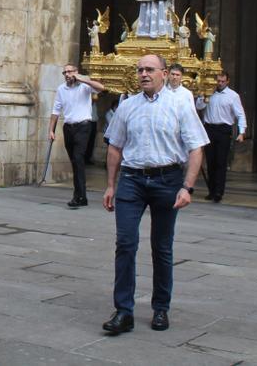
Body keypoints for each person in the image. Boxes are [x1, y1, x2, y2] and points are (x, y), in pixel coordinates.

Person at [101, 54, 207, 335]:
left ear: (164, 73)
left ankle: (161, 307)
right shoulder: (127, 106)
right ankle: (124, 311)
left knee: (162, 246)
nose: (144, 74)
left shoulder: (180, 105)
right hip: (132, 180)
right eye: (140, 70)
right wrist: (111, 185)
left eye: (150, 69)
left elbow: (196, 148)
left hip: (167, 179)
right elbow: (114, 147)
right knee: (125, 243)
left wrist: (187, 187)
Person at [49, 64, 104, 209]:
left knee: (78, 158)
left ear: (76, 72)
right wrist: (51, 130)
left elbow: (100, 88)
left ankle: (77, 196)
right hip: (68, 127)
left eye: (70, 72)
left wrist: (83, 79)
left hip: (83, 126)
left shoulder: (85, 87)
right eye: (65, 72)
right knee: (74, 161)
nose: (67, 74)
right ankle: (82, 196)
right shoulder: (62, 89)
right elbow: (56, 110)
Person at [194, 72, 246, 203]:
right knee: (210, 162)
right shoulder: (209, 92)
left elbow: (240, 114)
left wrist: (241, 132)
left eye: (222, 81)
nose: (220, 83)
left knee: (221, 162)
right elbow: (199, 107)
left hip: (223, 129)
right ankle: (211, 190)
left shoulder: (233, 96)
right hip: (209, 128)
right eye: (218, 81)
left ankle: (218, 191)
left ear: (227, 81)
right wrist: (202, 97)